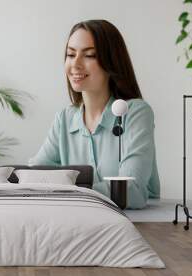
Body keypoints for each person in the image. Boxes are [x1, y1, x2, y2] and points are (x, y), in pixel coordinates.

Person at [29, 19, 160, 209]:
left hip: (140, 224)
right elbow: (33, 176)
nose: (76, 64)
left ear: (111, 61)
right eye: (70, 54)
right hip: (82, 218)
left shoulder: (135, 112)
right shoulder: (64, 119)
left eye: (89, 55)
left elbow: (132, 192)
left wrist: (65, 188)